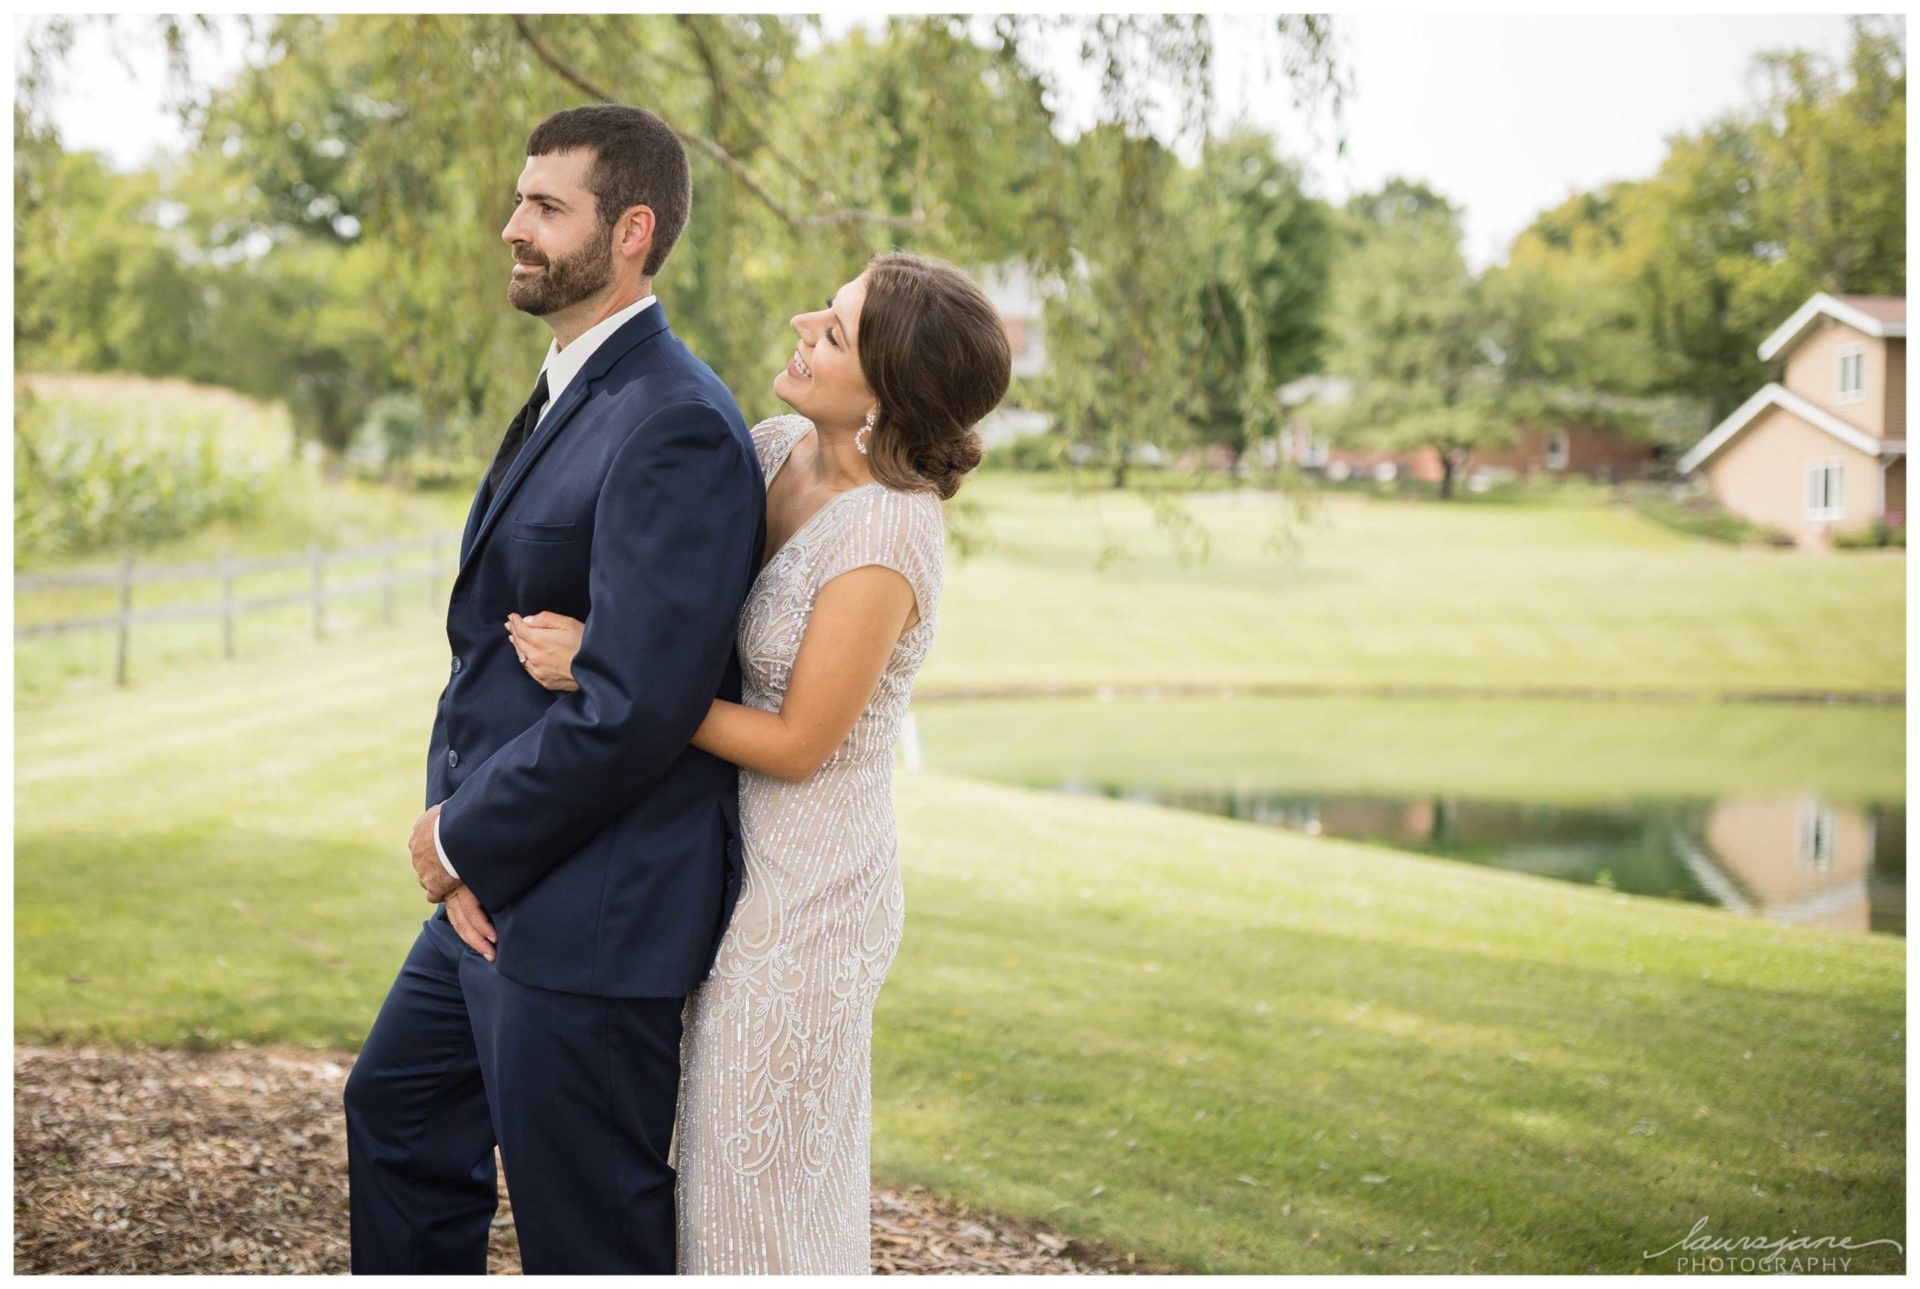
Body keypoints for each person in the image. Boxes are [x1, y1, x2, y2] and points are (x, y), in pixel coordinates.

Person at [506, 250, 1012, 1273]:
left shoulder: (886, 533)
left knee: (752, 1189)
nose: (799, 325)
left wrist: (608, 672)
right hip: (723, 859)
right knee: (705, 1167)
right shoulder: (775, 447)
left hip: (812, 899)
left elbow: (796, 743)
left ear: (892, 390)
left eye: (833, 330)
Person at [341, 104, 765, 1274]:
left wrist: (464, 836)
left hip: (595, 915)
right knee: (397, 1116)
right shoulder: (578, 387)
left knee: (588, 1233)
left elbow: (632, 703)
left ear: (630, 231)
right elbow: (490, 646)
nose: (510, 227)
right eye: (520, 199)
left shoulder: (671, 418)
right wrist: (468, 849)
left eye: (544, 207)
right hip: (502, 889)